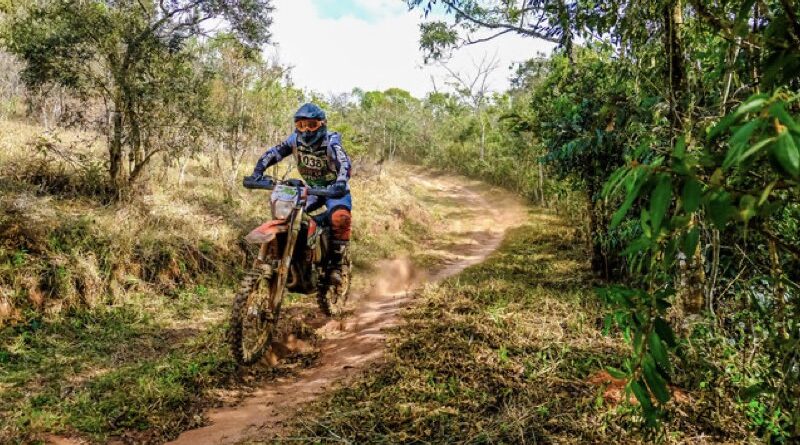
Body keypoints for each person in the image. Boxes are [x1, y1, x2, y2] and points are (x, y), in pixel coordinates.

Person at [248, 103, 352, 284]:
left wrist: (341, 182)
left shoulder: (331, 142)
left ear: (322, 124)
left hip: (335, 190)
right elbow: (273, 153)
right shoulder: (294, 140)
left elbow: (344, 162)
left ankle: (336, 266)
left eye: (311, 125)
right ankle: (295, 258)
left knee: (339, 218)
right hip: (311, 189)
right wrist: (257, 173)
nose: (306, 130)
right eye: (301, 125)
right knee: (290, 216)